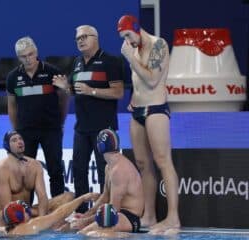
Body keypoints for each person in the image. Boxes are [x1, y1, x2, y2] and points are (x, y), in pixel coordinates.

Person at [117, 15, 180, 234]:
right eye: (123, 37)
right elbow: (138, 83)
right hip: (138, 112)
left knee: (164, 162)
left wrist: (130, 59)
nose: (127, 41)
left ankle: (173, 218)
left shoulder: (158, 44)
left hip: (156, 110)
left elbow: (152, 80)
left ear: (136, 28)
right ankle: (150, 215)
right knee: (143, 165)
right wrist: (133, 100)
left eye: (128, 35)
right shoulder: (132, 50)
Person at [53, 25, 124, 213]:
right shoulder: (76, 62)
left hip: (103, 128)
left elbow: (118, 92)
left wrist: (91, 90)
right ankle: (81, 212)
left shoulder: (110, 61)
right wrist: (65, 88)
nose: (80, 41)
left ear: (96, 38)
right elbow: (75, 91)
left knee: (105, 172)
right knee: (78, 170)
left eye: (84, 37)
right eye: (78, 38)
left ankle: (105, 212)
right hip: (81, 128)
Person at [7, 36, 68, 198]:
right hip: (25, 131)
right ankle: (26, 210)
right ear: (18, 57)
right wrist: (16, 131)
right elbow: (12, 105)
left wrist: (60, 123)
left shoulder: (52, 72)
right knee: (26, 174)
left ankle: (57, 209)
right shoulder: (12, 78)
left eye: (30, 54)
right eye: (23, 56)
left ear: (36, 52)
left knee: (55, 170)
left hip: (51, 129)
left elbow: (64, 98)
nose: (28, 59)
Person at [0, 131, 74, 227]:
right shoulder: (0, 169)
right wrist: (46, 215)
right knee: (55, 220)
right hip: (9, 216)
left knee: (68, 197)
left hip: (28, 213)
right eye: (14, 140)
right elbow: (8, 208)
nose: (19, 142)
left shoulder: (35, 165)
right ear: (7, 146)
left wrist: (42, 219)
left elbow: (42, 196)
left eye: (20, 139)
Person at [72, 129, 144, 235]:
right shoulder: (109, 166)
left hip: (130, 218)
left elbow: (113, 210)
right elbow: (105, 197)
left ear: (99, 146)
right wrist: (86, 215)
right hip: (117, 214)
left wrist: (85, 221)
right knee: (74, 228)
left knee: (84, 233)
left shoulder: (119, 170)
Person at [0, 192, 99, 236]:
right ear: (20, 216)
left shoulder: (4, 231)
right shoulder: (31, 226)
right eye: (26, 211)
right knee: (69, 226)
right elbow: (60, 213)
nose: (29, 212)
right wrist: (82, 198)